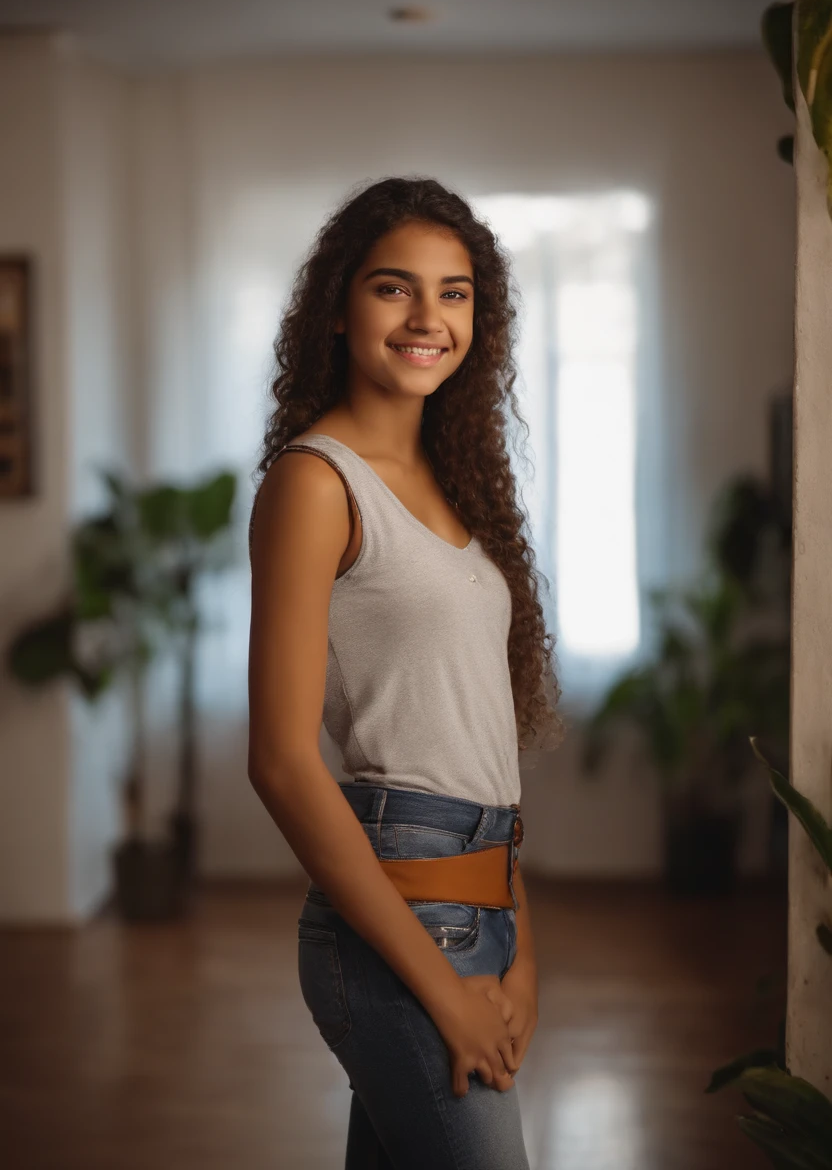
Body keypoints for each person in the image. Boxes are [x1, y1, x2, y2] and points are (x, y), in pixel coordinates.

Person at [247, 175, 563, 1169]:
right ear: (339, 308)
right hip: (401, 924)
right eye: (395, 288)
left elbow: (474, 744)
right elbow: (283, 762)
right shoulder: (314, 482)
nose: (429, 317)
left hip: (484, 900)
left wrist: (521, 947)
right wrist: (437, 981)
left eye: (455, 292)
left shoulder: (450, 484)